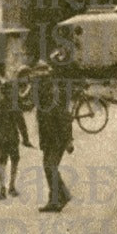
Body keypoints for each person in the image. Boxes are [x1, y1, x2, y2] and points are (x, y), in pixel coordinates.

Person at [37, 76, 74, 212]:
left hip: (57, 142)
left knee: (50, 167)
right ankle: (53, 200)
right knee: (48, 168)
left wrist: (69, 141)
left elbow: (66, 122)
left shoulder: (55, 105)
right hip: (48, 142)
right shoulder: (42, 106)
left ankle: (63, 195)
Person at [0, 79, 33, 200]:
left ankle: (2, 189)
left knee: (2, 162)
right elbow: (21, 124)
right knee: (14, 161)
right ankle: (11, 187)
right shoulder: (14, 105)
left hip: (3, 139)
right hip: (13, 138)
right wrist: (26, 139)